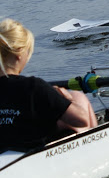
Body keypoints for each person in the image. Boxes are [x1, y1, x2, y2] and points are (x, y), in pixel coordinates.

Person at [1, 18, 97, 151]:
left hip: (5, 160)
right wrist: (67, 99)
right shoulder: (34, 87)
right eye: (28, 51)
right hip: (33, 157)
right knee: (78, 97)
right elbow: (82, 120)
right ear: (19, 54)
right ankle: (96, 151)